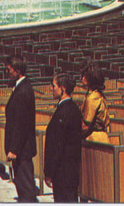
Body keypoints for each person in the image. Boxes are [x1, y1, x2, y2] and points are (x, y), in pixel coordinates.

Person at [4, 56, 39, 202]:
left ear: (17, 70)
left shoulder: (23, 91)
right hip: (21, 149)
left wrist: (14, 150)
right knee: (22, 184)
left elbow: (21, 124)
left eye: (9, 70)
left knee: (26, 188)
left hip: (22, 150)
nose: (7, 73)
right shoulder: (21, 87)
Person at [44, 74, 83, 203]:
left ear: (63, 89)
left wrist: (49, 172)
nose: (51, 88)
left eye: (54, 86)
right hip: (70, 169)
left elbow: (57, 145)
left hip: (63, 171)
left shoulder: (64, 112)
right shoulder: (73, 108)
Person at [80, 62, 111, 143]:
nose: (82, 78)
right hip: (100, 137)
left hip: (94, 139)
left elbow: (86, 124)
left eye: (85, 76)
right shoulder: (96, 94)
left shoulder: (93, 98)